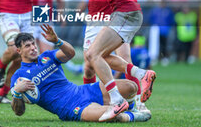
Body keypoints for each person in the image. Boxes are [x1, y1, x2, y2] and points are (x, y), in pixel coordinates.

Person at [10, 24, 151, 123]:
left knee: (131, 86)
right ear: (19, 51)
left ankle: (132, 108)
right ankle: (133, 116)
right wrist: (16, 92)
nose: (33, 48)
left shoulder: (47, 56)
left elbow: (70, 53)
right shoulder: (19, 76)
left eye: (33, 44)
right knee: (112, 115)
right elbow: (19, 112)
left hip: (82, 90)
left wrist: (58, 41)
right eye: (27, 46)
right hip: (70, 107)